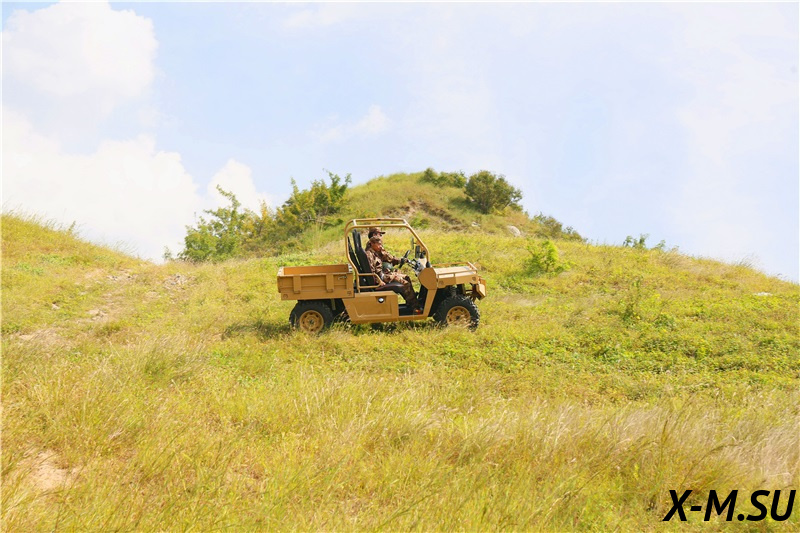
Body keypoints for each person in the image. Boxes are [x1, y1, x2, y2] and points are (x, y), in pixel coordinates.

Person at [365, 235, 419, 310]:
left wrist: (401, 260)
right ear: (372, 243)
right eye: (379, 244)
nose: (380, 246)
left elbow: (390, 258)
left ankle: (410, 300)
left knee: (406, 277)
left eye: (381, 244)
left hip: (383, 275)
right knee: (405, 283)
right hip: (380, 278)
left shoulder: (376, 252)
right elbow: (371, 271)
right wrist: (379, 281)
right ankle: (415, 307)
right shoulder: (369, 254)